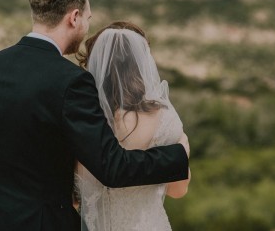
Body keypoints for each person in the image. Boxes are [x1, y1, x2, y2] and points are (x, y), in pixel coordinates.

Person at [0, 0, 189, 231]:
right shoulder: (71, 81)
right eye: (87, 19)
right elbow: (111, 167)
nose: (86, 26)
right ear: (74, 17)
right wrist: (176, 155)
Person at [75, 21, 191, 231]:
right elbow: (177, 190)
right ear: (141, 64)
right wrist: (183, 149)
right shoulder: (163, 118)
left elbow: (73, 197)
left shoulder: (79, 120)